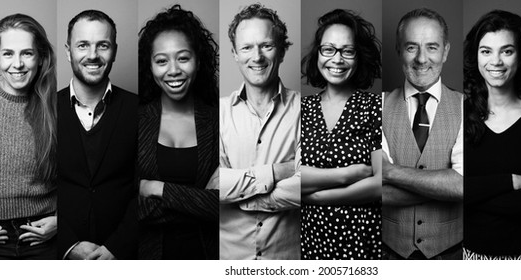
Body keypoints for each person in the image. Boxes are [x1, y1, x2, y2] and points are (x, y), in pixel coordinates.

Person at [134, 4, 219, 260]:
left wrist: (155, 187)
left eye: (183, 58)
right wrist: (198, 202)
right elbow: (128, 208)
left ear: (198, 60)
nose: (173, 70)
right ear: (150, 66)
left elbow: (224, 205)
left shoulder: (220, 122)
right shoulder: (134, 121)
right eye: (162, 61)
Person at [55, 10, 140, 260]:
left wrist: (118, 247)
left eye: (102, 45)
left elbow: (144, 188)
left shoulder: (140, 111)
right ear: (69, 50)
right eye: (83, 45)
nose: (93, 55)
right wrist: (68, 244)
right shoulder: (45, 109)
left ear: (114, 50)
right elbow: (35, 188)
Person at [299, 8, 383, 260]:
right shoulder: (300, 109)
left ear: (358, 57)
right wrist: (348, 173)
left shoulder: (375, 106)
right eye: (328, 49)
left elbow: (380, 183)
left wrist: (317, 198)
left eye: (347, 51)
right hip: (310, 239)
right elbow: (289, 175)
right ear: (317, 54)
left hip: (362, 238)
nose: (337, 59)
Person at [380, 8, 464, 260]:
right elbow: (375, 190)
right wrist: (442, 186)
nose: (421, 59)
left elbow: (462, 185)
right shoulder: (377, 106)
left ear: (446, 51)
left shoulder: (467, 107)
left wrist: (390, 172)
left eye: (432, 47)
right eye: (411, 47)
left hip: (451, 254)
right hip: (389, 253)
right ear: (398, 50)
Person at [219, 3, 301, 260]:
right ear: (234, 53)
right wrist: (278, 171)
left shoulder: (306, 110)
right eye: (246, 47)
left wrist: (240, 194)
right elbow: (212, 184)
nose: (257, 57)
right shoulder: (216, 113)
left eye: (266, 45)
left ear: (282, 50)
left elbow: (306, 187)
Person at [0, 13, 59, 260]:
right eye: (8, 53)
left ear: (41, 57)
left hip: (43, 238)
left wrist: (60, 221)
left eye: (27, 53)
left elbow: (81, 179)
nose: (18, 64)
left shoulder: (58, 106)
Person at [460, 10, 521, 260]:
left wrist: (471, 195)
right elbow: (448, 191)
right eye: (486, 51)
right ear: (475, 57)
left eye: (506, 51)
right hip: (469, 257)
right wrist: (510, 182)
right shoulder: (459, 115)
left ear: (520, 56)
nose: (495, 61)